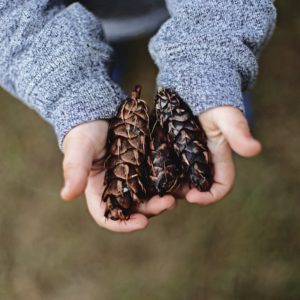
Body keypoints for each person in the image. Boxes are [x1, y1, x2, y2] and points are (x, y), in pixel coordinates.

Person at [0, 0, 276, 232]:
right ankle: (96, 53)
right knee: (104, 36)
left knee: (214, 94)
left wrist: (210, 63)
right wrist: (73, 85)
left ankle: (216, 97)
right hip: (88, 12)